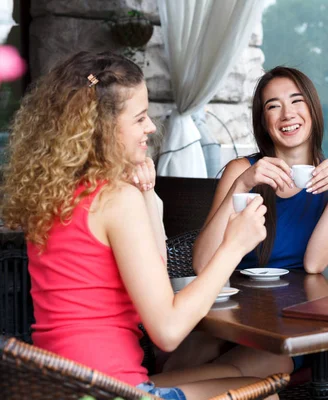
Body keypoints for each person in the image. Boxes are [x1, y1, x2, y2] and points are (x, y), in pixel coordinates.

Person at [1, 51, 287, 400]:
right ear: (102, 127)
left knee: (259, 369)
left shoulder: (54, 193)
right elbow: (167, 331)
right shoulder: (114, 199)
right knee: (264, 394)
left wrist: (148, 194)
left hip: (61, 384)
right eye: (139, 118)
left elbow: (157, 278)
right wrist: (234, 246)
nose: (150, 127)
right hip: (113, 390)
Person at [193, 66, 328, 275]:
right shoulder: (241, 171)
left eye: (297, 101)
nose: (287, 114)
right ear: (264, 122)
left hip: (302, 302)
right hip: (243, 297)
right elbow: (202, 264)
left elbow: (315, 265)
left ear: (313, 109)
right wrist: (241, 185)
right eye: (273, 106)